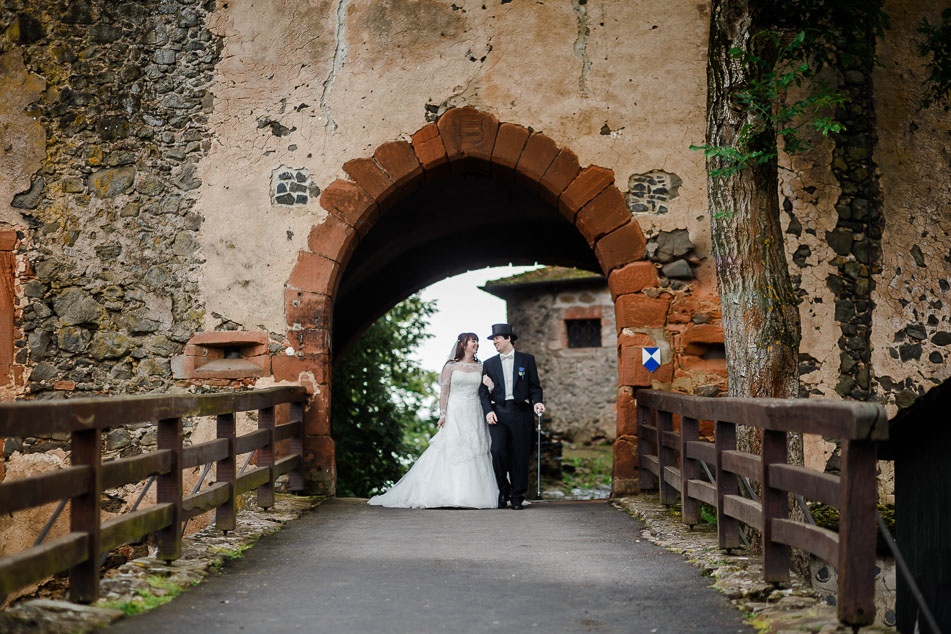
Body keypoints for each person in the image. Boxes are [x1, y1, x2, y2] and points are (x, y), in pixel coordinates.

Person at [367, 333, 499, 509]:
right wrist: (443, 414)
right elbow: (444, 392)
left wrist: (490, 386)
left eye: (477, 341)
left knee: (475, 447)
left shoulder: (481, 367)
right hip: (456, 410)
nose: (476, 344)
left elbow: (485, 392)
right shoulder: (451, 366)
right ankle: (448, 493)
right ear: (463, 344)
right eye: (472, 341)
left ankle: (475, 495)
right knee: (452, 446)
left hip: (475, 411)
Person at [478, 323, 545, 510]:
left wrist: (537, 402)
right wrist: (488, 411)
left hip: (521, 413)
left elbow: (534, 386)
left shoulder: (527, 360)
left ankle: (517, 496)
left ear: (508, 338)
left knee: (520, 455)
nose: (494, 342)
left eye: (497, 338)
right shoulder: (489, 364)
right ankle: (504, 489)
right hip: (498, 413)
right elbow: (483, 392)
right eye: (493, 340)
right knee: (498, 451)